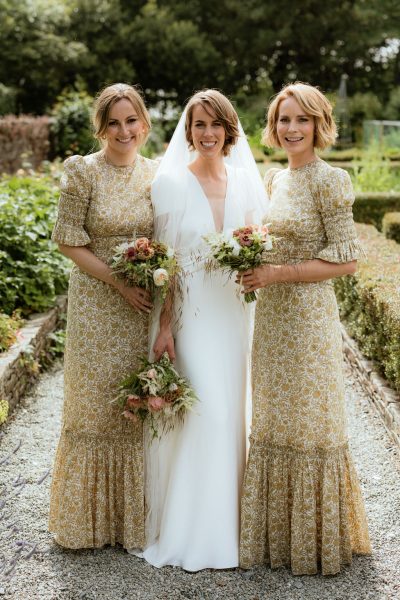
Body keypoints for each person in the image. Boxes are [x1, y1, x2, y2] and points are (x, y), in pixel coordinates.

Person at [239, 82, 371, 575]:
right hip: (271, 320)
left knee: (311, 422)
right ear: (273, 127)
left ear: (319, 124)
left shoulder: (331, 181)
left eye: (301, 119)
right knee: (273, 417)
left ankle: (315, 544)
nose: (291, 129)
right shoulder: (274, 180)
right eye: (283, 120)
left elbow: (348, 261)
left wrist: (278, 273)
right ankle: (276, 542)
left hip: (310, 318)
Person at [136, 89, 267, 571]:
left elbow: (257, 248)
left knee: (231, 415)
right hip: (191, 319)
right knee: (205, 413)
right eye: (198, 125)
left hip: (234, 317)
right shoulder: (171, 185)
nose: (207, 133)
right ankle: (190, 534)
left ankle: (233, 531)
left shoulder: (247, 184)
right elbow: (165, 263)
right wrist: (165, 327)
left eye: (215, 125)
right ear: (188, 132)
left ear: (229, 130)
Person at [49, 83, 158, 549]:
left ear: (144, 123)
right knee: (93, 405)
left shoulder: (158, 174)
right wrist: (118, 281)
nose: (123, 130)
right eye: (113, 122)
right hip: (98, 303)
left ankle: (132, 523)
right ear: (101, 126)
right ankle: (85, 525)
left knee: (133, 406)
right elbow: (68, 239)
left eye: (130, 120)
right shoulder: (83, 172)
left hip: (142, 310)